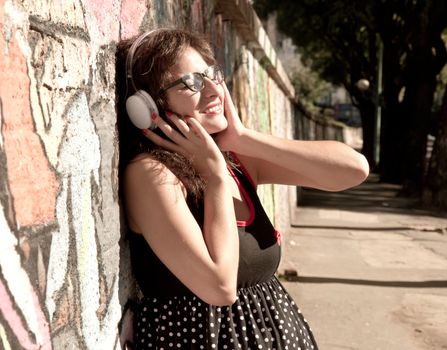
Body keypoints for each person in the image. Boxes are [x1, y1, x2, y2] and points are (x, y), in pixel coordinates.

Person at [116, 28, 369, 350]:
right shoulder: (151, 175)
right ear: (147, 105)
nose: (212, 90)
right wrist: (217, 177)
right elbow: (219, 287)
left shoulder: (234, 158)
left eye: (212, 75)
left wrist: (244, 138)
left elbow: (352, 171)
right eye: (191, 82)